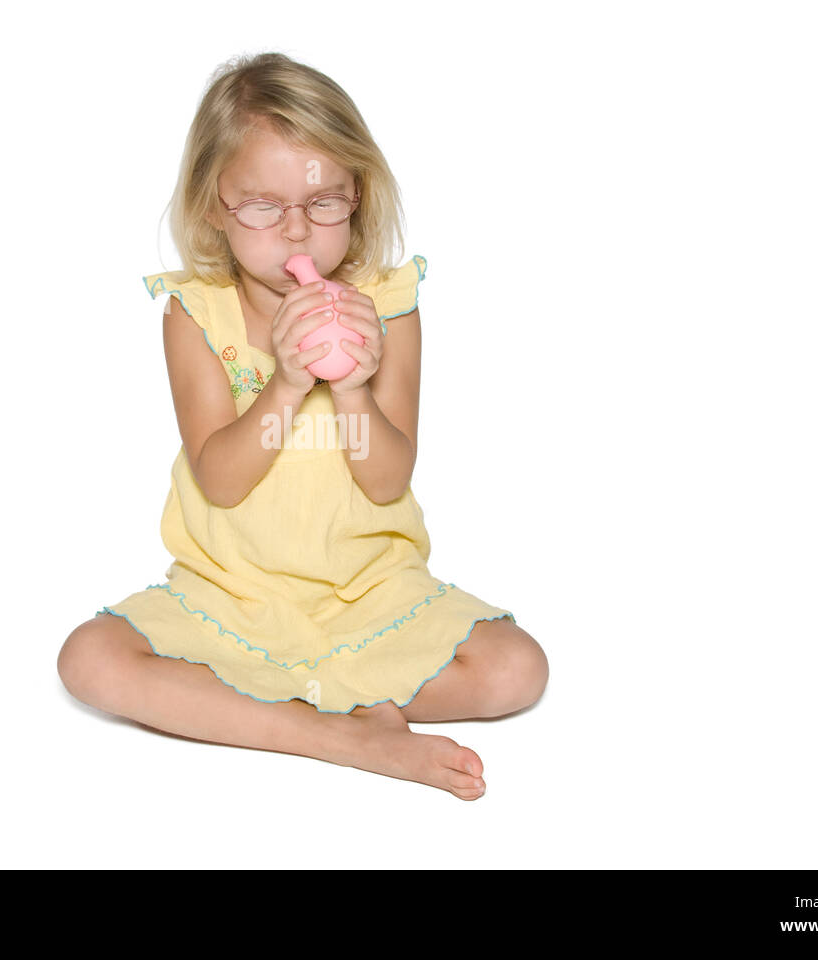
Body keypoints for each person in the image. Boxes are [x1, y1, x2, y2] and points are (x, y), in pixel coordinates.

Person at [58, 52, 548, 800]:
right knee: (89, 659)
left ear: (358, 195)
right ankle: (336, 732)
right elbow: (220, 479)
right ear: (214, 206)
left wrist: (352, 387)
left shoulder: (390, 302)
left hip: (367, 592)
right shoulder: (197, 312)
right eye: (262, 206)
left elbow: (385, 477)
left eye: (323, 205)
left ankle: (265, 702)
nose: (296, 233)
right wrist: (286, 382)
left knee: (519, 668)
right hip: (233, 591)